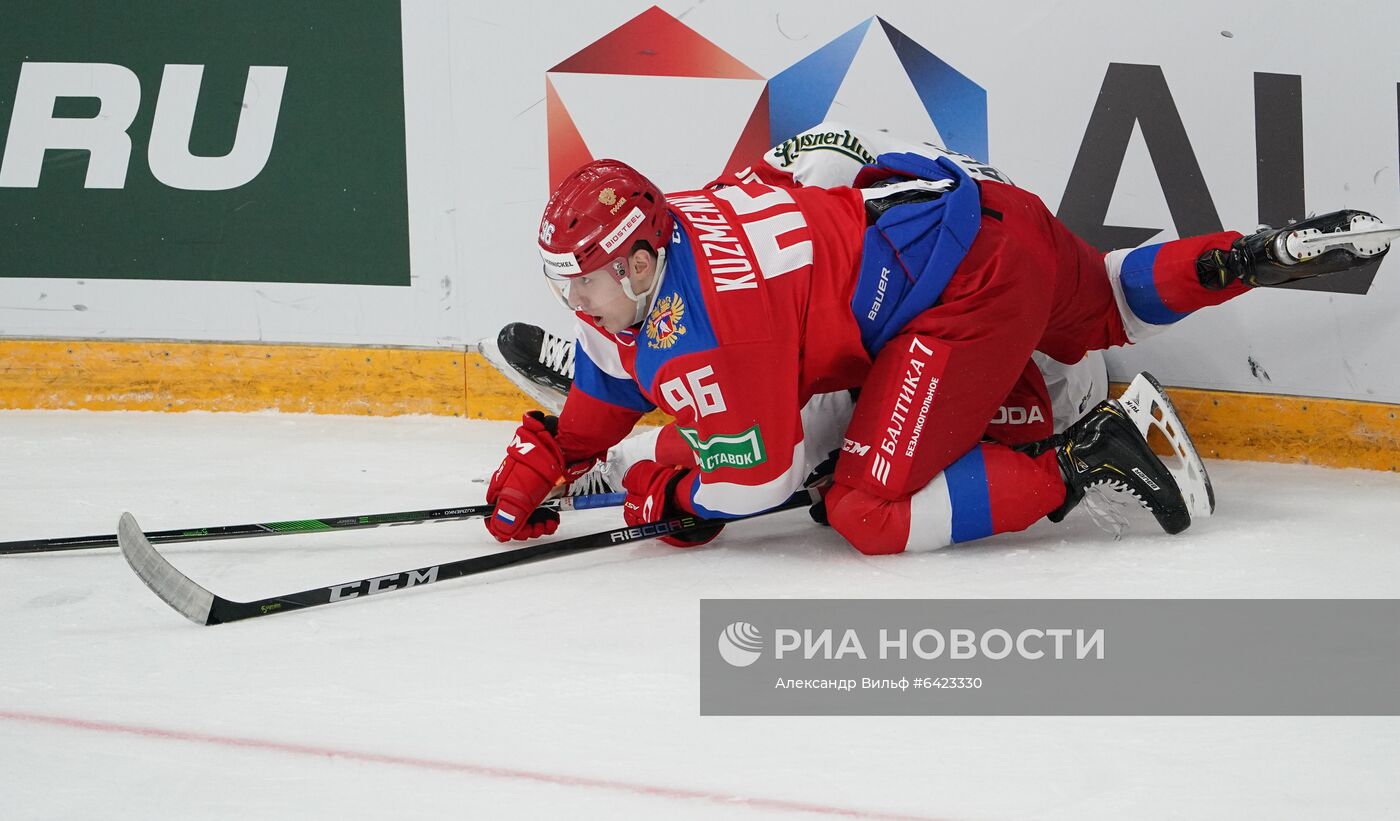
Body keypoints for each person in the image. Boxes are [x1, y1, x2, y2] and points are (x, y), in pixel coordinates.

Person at [484, 127, 1395, 554]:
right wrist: (562, 449)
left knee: (860, 507)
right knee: (1109, 298)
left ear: (641, 263)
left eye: (585, 282)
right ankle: (1246, 255)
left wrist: (673, 491)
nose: (574, 297)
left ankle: (1084, 458)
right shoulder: (676, 222)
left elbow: (757, 478)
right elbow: (640, 356)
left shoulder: (708, 332)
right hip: (985, 215)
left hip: (964, 300)